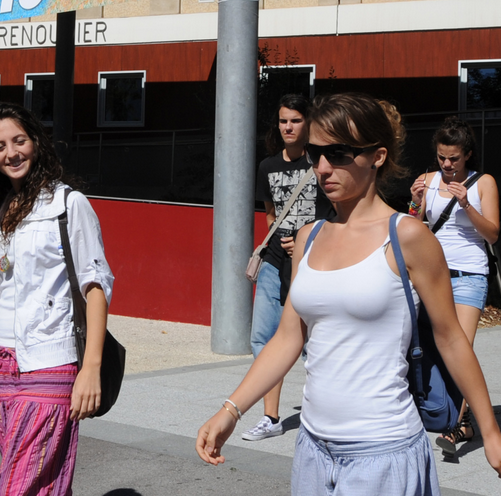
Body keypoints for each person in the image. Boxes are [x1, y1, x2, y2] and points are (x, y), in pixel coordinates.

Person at [196, 93, 501, 494]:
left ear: (377, 156)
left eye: (339, 154)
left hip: (384, 452)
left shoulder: (408, 237)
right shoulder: (310, 237)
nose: (323, 167)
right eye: (316, 153)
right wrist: (231, 410)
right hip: (312, 451)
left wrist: (491, 433)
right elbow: (289, 337)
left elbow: (450, 339)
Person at [0, 102, 114, 496]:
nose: (11, 153)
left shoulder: (68, 204)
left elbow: (96, 287)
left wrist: (90, 369)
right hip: (0, 364)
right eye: (0, 146)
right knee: (41, 483)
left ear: (36, 143)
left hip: (49, 362)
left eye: (19, 141)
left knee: (17, 487)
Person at [409, 116, 500, 456]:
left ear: (468, 156)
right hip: (432, 273)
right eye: (442, 157)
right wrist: (416, 201)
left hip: (469, 275)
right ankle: (452, 415)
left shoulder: (483, 183)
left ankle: (459, 426)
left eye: (454, 158)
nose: (446, 165)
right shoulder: (429, 179)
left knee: (460, 349)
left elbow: (491, 233)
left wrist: (465, 204)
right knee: (424, 346)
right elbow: (415, 225)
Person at [246, 94, 332, 442]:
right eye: (283, 121)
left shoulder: (321, 164)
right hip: (274, 261)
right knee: (263, 338)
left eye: (295, 121)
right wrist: (279, 238)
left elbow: (334, 213)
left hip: (313, 260)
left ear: (307, 124)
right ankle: (270, 417)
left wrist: (308, 241)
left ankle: (322, 411)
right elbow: (269, 212)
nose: (288, 127)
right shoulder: (268, 166)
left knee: (316, 341)